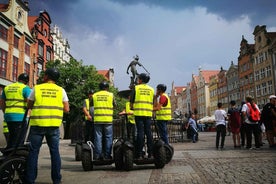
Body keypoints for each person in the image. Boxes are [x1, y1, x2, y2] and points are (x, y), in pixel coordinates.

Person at [24, 68, 70, 184]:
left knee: (33, 152)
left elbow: (29, 105)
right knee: (54, 152)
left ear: (47, 76)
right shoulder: (61, 90)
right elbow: (67, 109)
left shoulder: (37, 88)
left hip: (38, 125)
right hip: (54, 126)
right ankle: (56, 180)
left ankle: (30, 180)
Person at [0, 73, 31, 149]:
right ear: (26, 81)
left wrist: (6, 112)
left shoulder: (7, 88)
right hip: (20, 117)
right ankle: (16, 157)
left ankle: (8, 154)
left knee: (11, 137)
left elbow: (2, 103)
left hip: (8, 116)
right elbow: (29, 103)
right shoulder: (25, 88)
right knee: (19, 140)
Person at [130, 73, 154, 159]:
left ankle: (139, 154)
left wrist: (132, 107)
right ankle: (151, 153)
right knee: (149, 133)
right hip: (148, 114)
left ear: (141, 80)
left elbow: (131, 102)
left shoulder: (136, 88)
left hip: (139, 114)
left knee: (140, 133)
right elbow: (152, 101)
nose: (137, 80)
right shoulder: (151, 89)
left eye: (138, 79)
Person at [91, 81, 116, 160]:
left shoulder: (94, 95)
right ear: (107, 88)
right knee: (108, 137)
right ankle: (107, 155)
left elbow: (91, 106)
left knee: (98, 138)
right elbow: (115, 105)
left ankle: (98, 156)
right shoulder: (111, 95)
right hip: (108, 120)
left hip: (98, 120)